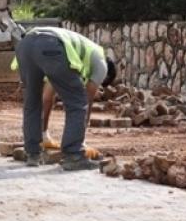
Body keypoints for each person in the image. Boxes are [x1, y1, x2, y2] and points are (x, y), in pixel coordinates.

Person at [14, 26, 117, 171]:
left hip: (25, 45)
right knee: (77, 101)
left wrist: (44, 133)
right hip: (50, 45)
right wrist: (81, 140)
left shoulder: (73, 55)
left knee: (32, 101)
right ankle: (73, 155)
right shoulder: (101, 64)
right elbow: (86, 99)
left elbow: (47, 97)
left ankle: (33, 154)